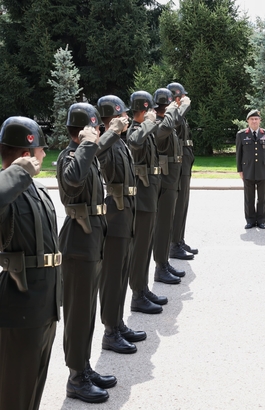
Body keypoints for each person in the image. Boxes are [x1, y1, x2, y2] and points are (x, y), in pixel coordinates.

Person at [0, 117, 61, 410]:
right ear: (26, 155)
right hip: (20, 306)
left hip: (45, 304)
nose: (44, 155)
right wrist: (17, 173)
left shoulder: (36, 190)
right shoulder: (8, 190)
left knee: (33, 389)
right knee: (15, 394)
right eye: (39, 150)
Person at [57, 103, 115, 403]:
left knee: (88, 311)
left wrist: (95, 141)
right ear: (80, 131)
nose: (97, 132)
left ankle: (84, 366)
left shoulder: (87, 152)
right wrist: (87, 144)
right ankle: (75, 378)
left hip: (92, 238)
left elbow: (99, 151)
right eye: (92, 128)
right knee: (78, 314)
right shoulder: (70, 157)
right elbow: (74, 179)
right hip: (78, 242)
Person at [95, 95, 145, 354]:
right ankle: (110, 331)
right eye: (121, 115)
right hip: (114, 214)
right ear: (112, 118)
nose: (126, 118)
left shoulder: (119, 141)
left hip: (126, 213)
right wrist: (112, 132)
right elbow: (96, 151)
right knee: (113, 275)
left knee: (122, 272)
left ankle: (117, 323)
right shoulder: (105, 142)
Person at [127, 91, 169, 313]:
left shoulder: (146, 129)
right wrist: (149, 123)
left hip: (150, 192)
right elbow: (134, 142)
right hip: (142, 197)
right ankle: (137, 294)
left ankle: (142, 289)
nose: (154, 113)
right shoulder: (135, 130)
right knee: (141, 247)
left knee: (147, 245)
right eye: (150, 110)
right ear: (142, 111)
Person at [152, 88, 189, 283]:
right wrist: (175, 109)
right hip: (165, 180)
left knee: (167, 224)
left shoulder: (167, 121)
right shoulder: (159, 124)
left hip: (171, 178)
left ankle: (164, 262)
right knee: (163, 225)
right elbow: (164, 129)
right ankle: (160, 266)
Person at [167, 82, 198, 259]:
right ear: (176, 98)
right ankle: (173, 244)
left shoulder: (179, 113)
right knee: (178, 204)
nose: (185, 99)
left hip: (185, 159)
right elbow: (174, 122)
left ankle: (179, 239)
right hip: (178, 162)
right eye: (182, 97)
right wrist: (183, 107)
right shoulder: (173, 113)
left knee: (184, 203)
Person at [236, 109, 265, 229]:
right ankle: (250, 220)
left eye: (256, 119)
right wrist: (240, 170)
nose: (254, 121)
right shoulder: (241, 134)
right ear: (247, 121)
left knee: (262, 197)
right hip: (248, 170)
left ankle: (261, 220)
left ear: (260, 121)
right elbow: (239, 154)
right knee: (249, 197)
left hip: (263, 170)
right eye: (251, 119)